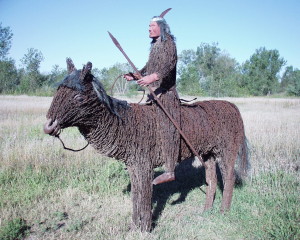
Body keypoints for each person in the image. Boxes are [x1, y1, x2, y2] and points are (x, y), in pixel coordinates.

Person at [124, 13, 180, 185]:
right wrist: (136, 75)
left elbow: (169, 65)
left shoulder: (169, 43)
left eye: (152, 27)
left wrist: (153, 77)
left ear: (161, 28)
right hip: (153, 94)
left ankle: (170, 169)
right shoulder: (155, 46)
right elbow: (149, 67)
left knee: (167, 128)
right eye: (148, 27)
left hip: (167, 94)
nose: (149, 29)